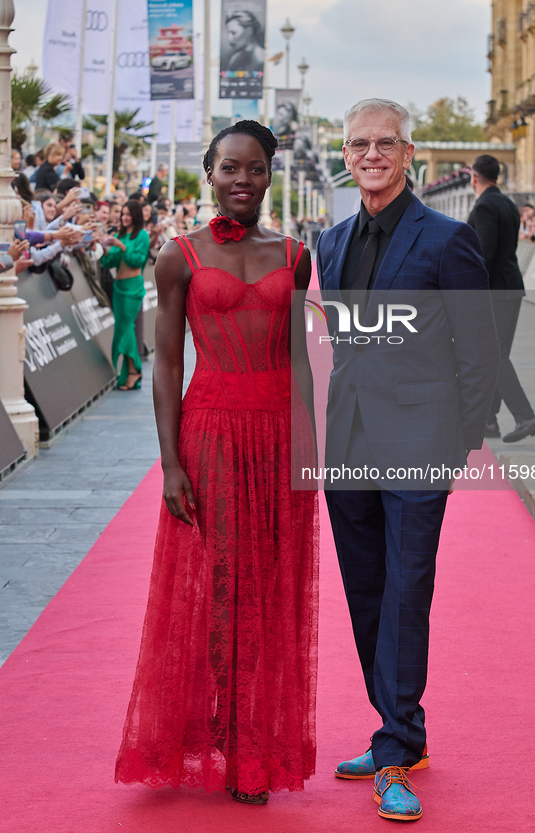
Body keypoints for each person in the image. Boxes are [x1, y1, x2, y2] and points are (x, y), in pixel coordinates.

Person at [115, 120, 319, 804]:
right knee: (221, 578)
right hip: (211, 435)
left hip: (277, 434)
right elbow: (166, 361)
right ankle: (221, 728)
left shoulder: (294, 255)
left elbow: (298, 359)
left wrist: (310, 448)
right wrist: (170, 462)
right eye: (229, 167)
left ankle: (252, 730)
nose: (241, 179)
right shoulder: (177, 255)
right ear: (209, 173)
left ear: (269, 175)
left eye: (254, 168)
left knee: (268, 582)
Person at [316, 98, 499, 823]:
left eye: (384, 142)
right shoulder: (328, 242)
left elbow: (478, 349)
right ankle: (400, 726)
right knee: (365, 589)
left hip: (420, 444)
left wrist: (457, 440)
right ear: (346, 152)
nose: (370, 153)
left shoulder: (446, 239)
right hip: (350, 443)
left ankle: (392, 749)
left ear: (408, 152)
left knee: (405, 590)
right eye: (358, 142)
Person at [468, 154, 535, 443]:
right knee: (498, 354)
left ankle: (525, 416)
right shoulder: (507, 203)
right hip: (510, 287)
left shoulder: (486, 204)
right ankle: (490, 423)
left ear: (474, 177)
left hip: (495, 289)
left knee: (493, 355)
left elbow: (484, 252)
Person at [101, 200, 150, 390]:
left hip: (133, 287)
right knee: (121, 329)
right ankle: (129, 372)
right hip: (119, 287)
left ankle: (134, 371)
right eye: (123, 214)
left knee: (127, 326)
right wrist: (105, 247)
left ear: (135, 216)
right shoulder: (119, 235)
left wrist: (120, 246)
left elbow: (137, 260)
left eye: (128, 214)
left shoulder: (142, 236)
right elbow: (109, 262)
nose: (125, 217)